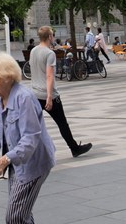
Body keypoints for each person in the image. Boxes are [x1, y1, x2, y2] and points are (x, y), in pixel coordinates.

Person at [0, 52, 55, 223]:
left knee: (14, 217)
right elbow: (0, 133)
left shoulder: (24, 98)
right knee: (22, 213)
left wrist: (5, 160)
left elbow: (30, 138)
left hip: (33, 164)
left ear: (8, 76)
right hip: (16, 162)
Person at [30, 26, 92, 158]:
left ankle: (28, 152)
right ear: (49, 37)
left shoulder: (33, 51)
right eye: (52, 35)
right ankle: (74, 148)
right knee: (62, 123)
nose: (53, 37)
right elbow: (49, 76)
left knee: (32, 125)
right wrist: (49, 97)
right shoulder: (49, 54)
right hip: (49, 95)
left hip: (34, 94)